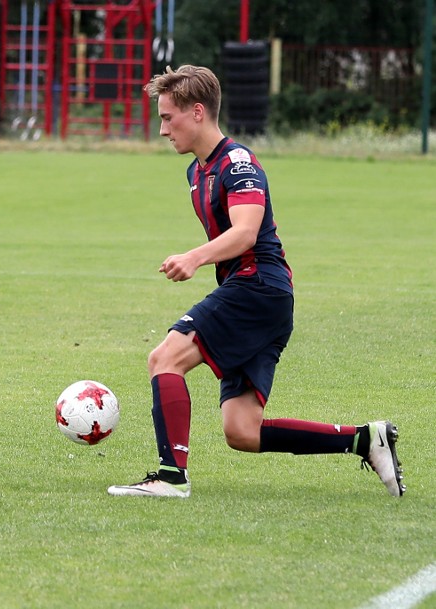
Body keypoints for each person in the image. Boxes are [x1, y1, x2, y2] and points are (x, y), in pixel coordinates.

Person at [107, 66, 405, 499]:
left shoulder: (237, 162)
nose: (162, 129)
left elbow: (246, 232)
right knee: (241, 430)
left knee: (165, 358)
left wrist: (194, 256)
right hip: (262, 297)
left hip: (257, 287)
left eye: (168, 117)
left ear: (197, 112)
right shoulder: (197, 172)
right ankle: (364, 439)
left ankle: (171, 477)